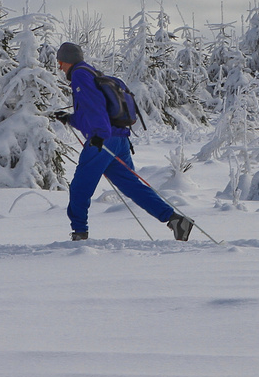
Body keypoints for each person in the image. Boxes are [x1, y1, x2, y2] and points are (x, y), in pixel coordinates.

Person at [52, 41, 195, 242]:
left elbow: (96, 107)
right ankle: (175, 220)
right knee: (132, 186)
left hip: (104, 141)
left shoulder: (79, 75)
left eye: (60, 62)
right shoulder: (93, 74)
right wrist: (69, 119)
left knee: (79, 187)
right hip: (119, 139)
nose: (60, 67)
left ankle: (79, 234)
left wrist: (100, 135)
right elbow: (93, 112)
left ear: (68, 60)